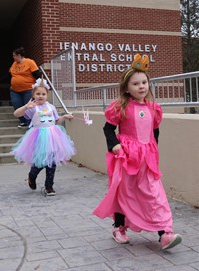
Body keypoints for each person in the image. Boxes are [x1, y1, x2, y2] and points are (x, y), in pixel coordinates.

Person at [93, 54, 182, 250]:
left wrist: (154, 153)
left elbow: (154, 133)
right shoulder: (121, 107)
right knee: (124, 193)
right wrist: (113, 144)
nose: (141, 86)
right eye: (135, 84)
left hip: (147, 161)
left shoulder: (154, 109)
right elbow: (108, 129)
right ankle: (119, 227)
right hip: (126, 157)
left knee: (155, 193)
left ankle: (165, 234)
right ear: (126, 88)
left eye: (144, 82)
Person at [11, 77, 76, 196]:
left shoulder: (51, 107)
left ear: (47, 95)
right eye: (38, 94)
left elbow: (56, 121)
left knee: (52, 162)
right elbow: (16, 114)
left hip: (53, 136)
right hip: (38, 137)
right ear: (33, 95)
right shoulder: (32, 107)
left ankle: (49, 186)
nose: (41, 96)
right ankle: (32, 176)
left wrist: (64, 117)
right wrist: (26, 107)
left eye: (43, 94)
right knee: (41, 161)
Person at [9, 47, 41, 128]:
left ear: (19, 55)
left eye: (14, 55)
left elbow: (37, 75)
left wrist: (40, 86)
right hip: (15, 90)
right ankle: (23, 122)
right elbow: (12, 74)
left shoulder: (30, 62)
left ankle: (30, 124)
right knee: (17, 105)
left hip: (28, 89)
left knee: (29, 106)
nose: (13, 57)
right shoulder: (14, 64)